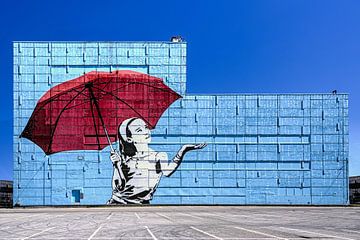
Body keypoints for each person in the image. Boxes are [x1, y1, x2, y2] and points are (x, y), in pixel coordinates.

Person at [107, 117, 207, 204]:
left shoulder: (158, 156)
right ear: (129, 139)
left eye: (146, 127)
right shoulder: (124, 159)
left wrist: (183, 150)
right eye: (139, 130)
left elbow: (168, 172)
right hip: (117, 204)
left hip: (142, 204)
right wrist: (117, 166)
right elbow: (120, 187)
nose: (146, 132)